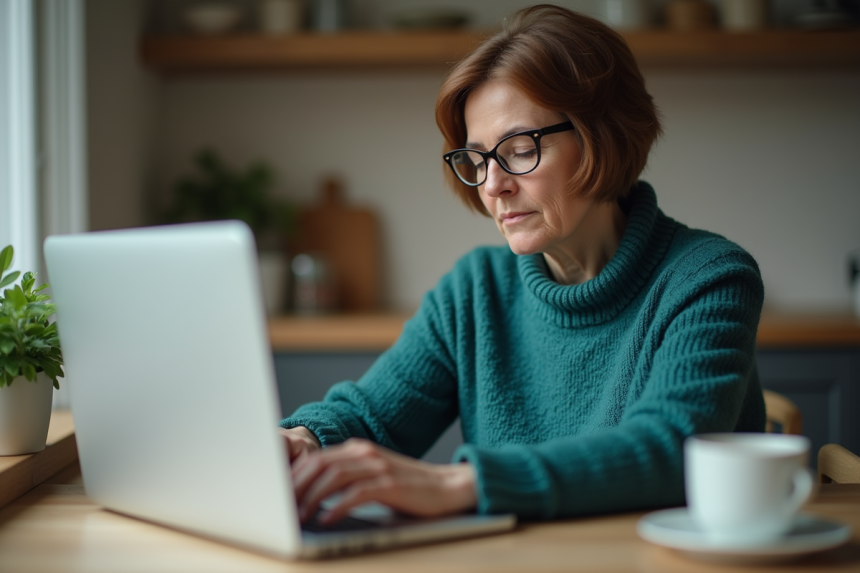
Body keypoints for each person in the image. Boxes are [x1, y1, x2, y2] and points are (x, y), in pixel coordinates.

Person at [279, 4, 765, 525]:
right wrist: (305, 440)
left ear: (605, 134)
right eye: (479, 158)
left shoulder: (709, 277)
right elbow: (371, 412)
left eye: (519, 148)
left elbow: (672, 447)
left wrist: (461, 482)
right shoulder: (475, 290)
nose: (493, 185)